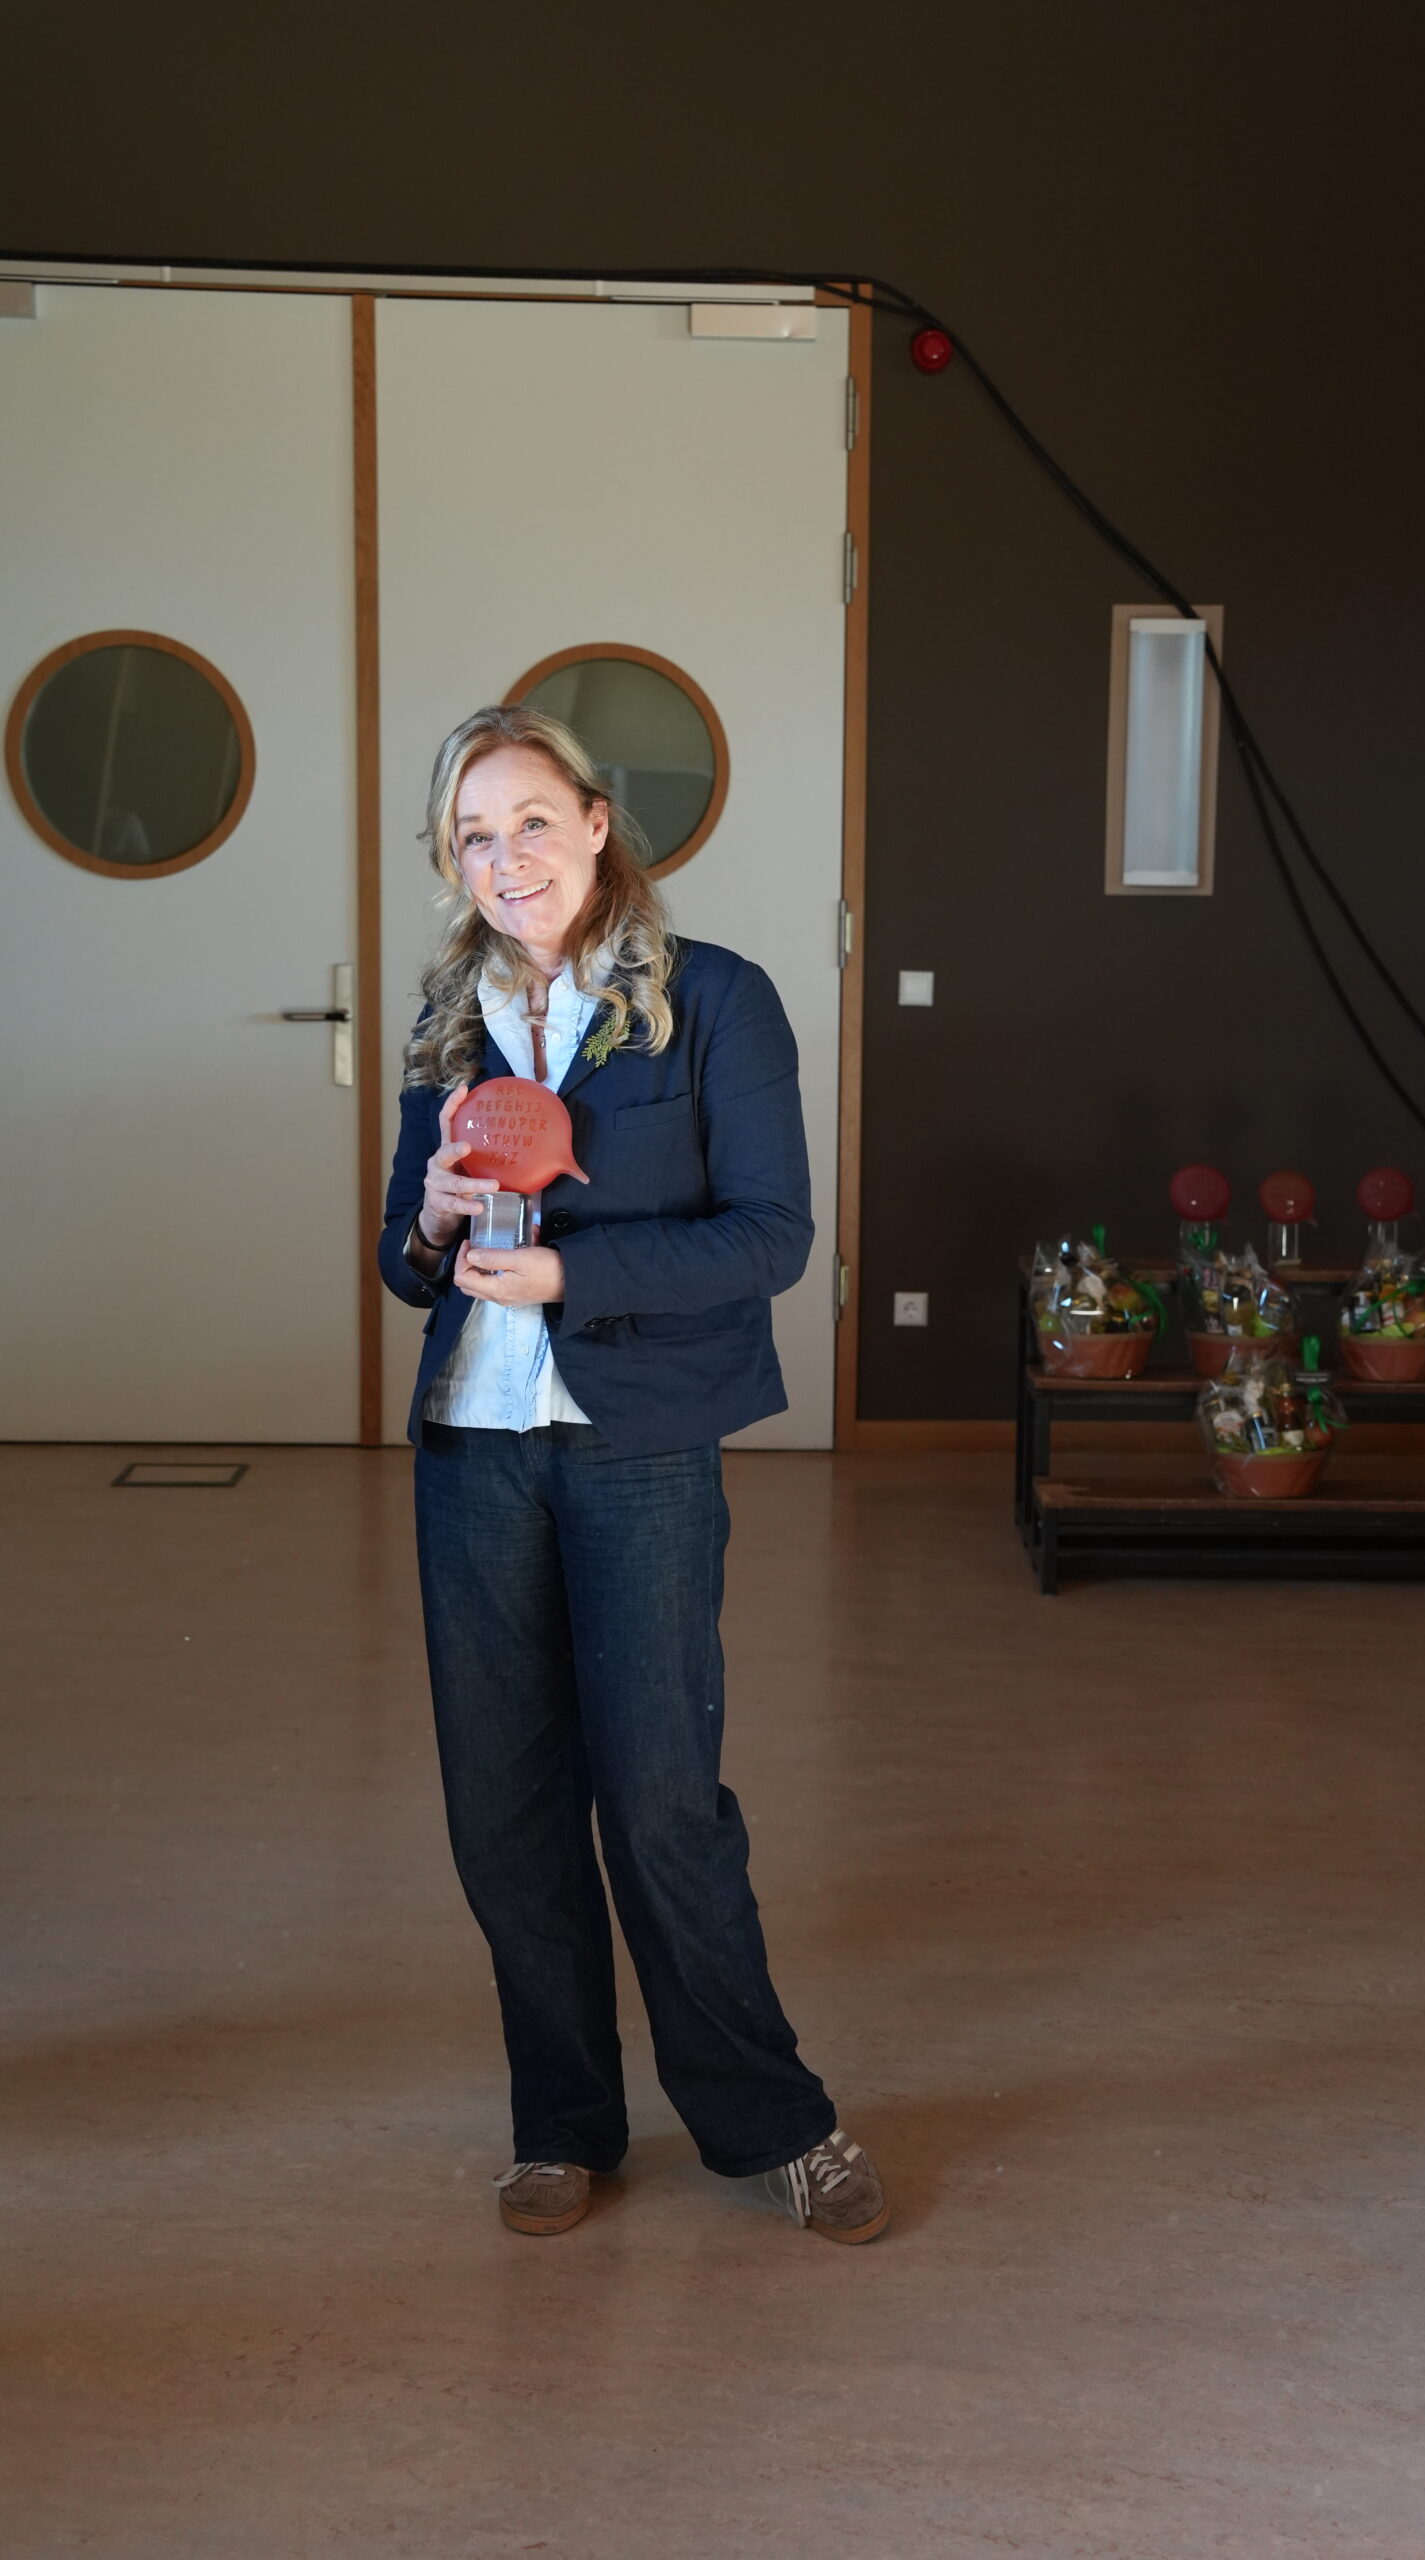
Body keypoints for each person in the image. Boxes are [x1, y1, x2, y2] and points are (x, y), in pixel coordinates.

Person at [379, 703, 887, 2246]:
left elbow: (772, 1238)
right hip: (475, 1451)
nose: (507, 857)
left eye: (532, 820)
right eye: (474, 835)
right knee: (501, 1807)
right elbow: (406, 1261)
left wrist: (571, 1277)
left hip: (639, 1447)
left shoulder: (713, 999)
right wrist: (435, 1223)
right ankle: (562, 2125)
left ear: (598, 825)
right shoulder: (450, 1017)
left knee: (661, 1801)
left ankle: (774, 2124)